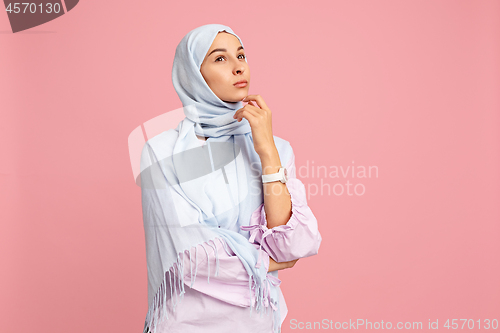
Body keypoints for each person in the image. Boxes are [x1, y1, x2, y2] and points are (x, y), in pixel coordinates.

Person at [140, 24, 322, 333]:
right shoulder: (161, 151)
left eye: (241, 55)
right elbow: (189, 257)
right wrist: (265, 262)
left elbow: (291, 244)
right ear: (193, 74)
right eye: (220, 59)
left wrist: (265, 150)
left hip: (257, 323)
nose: (238, 66)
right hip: (185, 324)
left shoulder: (278, 149)